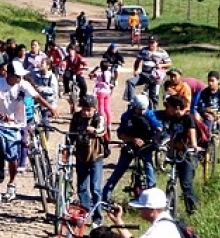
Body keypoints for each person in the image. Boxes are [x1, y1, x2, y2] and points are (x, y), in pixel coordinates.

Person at [0, 61, 58, 202]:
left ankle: (12, 183)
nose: (19, 79)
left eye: (21, 76)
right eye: (17, 76)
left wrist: (51, 108)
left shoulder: (23, 84)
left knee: (13, 157)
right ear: (9, 75)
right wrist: (1, 116)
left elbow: (37, 97)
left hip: (15, 124)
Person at [102, 95, 163, 202]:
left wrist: (155, 136)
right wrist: (132, 139)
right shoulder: (126, 116)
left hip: (146, 147)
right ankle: (104, 197)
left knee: (149, 168)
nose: (141, 111)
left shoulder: (149, 114)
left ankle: (152, 197)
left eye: (143, 109)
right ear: (134, 106)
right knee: (119, 170)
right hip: (129, 146)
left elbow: (158, 127)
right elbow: (120, 134)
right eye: (139, 109)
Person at [70, 95, 106, 223]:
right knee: (82, 187)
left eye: (88, 109)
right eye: (84, 109)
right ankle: (84, 213)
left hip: (96, 156)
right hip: (81, 156)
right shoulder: (76, 117)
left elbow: (102, 130)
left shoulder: (99, 117)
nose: (86, 112)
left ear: (94, 108)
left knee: (95, 188)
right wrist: (68, 146)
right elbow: (71, 134)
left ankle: (97, 217)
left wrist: (94, 130)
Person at [164, 94, 202, 215]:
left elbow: (192, 133)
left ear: (178, 107)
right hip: (177, 153)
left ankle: (194, 210)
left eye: (169, 107)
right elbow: (172, 135)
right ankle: (171, 208)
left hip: (187, 155)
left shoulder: (187, 118)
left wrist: (194, 146)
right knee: (174, 180)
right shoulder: (173, 119)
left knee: (186, 184)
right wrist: (169, 148)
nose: (167, 109)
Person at [194, 70, 220, 160]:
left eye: (212, 81)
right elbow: (200, 107)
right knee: (205, 131)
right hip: (209, 117)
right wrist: (205, 113)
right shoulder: (204, 93)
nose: (210, 83)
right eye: (209, 80)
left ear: (218, 81)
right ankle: (205, 153)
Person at [124, 36, 172, 110]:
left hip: (154, 77)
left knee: (153, 97)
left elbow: (169, 64)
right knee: (130, 82)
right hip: (143, 75)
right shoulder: (144, 50)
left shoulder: (162, 52)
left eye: (152, 42)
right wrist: (136, 70)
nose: (151, 44)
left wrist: (161, 65)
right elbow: (137, 61)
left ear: (157, 43)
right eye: (149, 42)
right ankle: (133, 101)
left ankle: (153, 112)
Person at [30, 57, 59, 126]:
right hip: (37, 102)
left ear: (48, 66)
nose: (40, 64)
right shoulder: (35, 74)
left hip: (48, 103)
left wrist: (43, 89)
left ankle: (45, 134)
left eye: (42, 63)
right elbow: (26, 74)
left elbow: (54, 91)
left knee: (45, 121)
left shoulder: (51, 76)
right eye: (40, 63)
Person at [91, 60, 114, 144]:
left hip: (100, 92)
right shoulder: (108, 73)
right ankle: (109, 123)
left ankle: (102, 121)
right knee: (107, 108)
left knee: (101, 108)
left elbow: (91, 75)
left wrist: (95, 68)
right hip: (107, 92)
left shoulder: (99, 73)